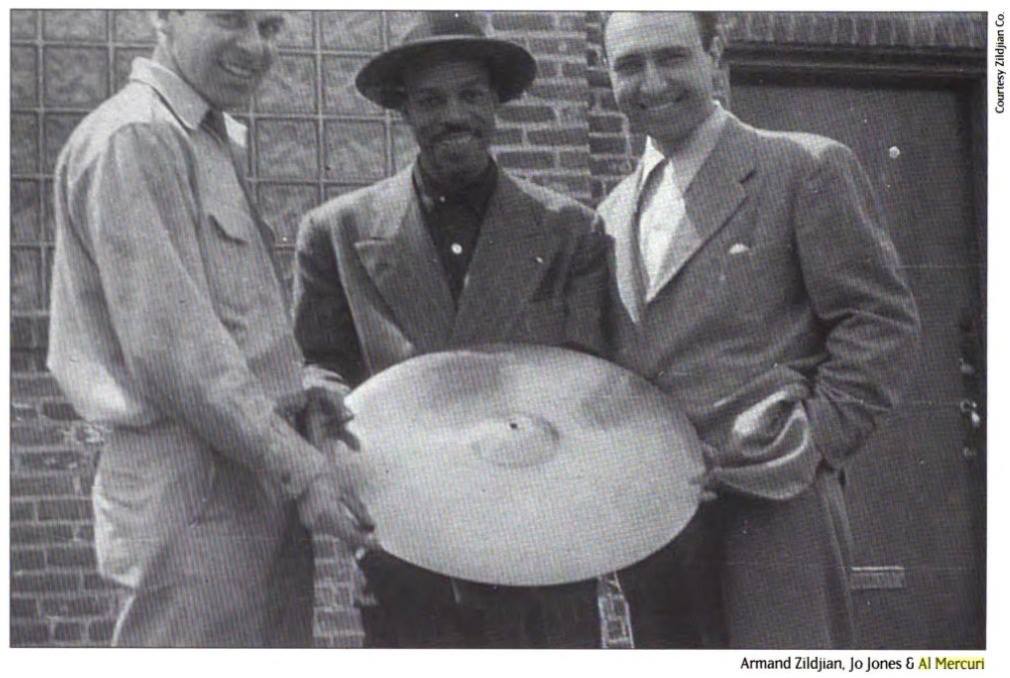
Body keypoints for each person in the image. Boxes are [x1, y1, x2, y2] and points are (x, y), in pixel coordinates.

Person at [47, 10, 374, 647]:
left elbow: (224, 326)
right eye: (230, 18)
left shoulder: (200, 137)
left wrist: (295, 389)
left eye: (270, 27)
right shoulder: (136, 138)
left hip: (249, 477)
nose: (254, 47)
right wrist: (304, 470)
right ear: (163, 15)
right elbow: (175, 354)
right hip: (192, 492)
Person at [600, 11, 921, 648]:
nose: (652, 82)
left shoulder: (802, 166)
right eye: (629, 65)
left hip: (775, 510)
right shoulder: (609, 214)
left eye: (671, 57)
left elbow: (881, 322)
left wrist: (810, 440)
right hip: (660, 523)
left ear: (714, 54)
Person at [293, 11, 610, 648]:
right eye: (431, 100)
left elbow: (590, 380)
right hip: (411, 544)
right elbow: (319, 362)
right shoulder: (337, 232)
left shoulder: (569, 231)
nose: (453, 115)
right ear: (404, 110)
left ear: (496, 104)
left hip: (540, 548)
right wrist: (324, 405)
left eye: (471, 95)